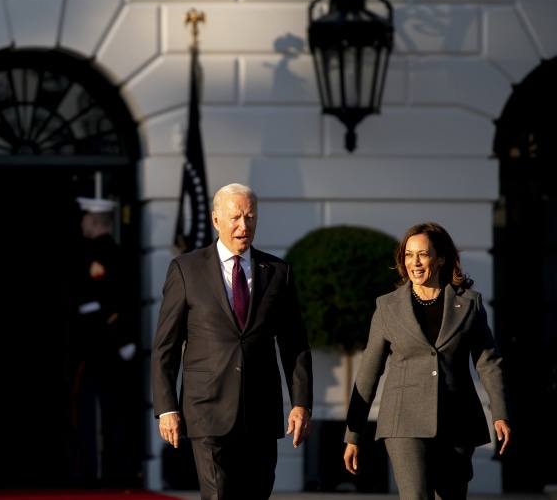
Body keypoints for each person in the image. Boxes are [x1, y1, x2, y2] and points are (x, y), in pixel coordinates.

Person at [151, 182, 314, 500]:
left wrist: (301, 403)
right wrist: (167, 408)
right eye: (236, 217)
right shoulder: (185, 270)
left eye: (251, 217)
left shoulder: (278, 272)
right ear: (216, 220)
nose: (244, 226)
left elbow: (295, 344)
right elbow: (165, 346)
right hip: (207, 410)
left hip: (261, 412)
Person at [343, 222, 512, 499]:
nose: (415, 262)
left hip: (457, 420)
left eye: (422, 254)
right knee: (415, 495)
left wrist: (501, 413)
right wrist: (353, 435)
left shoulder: (469, 304)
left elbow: (488, 362)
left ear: (441, 257)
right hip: (403, 422)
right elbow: (368, 373)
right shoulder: (387, 307)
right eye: (408, 255)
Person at [66, 195, 140, 488]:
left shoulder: (93, 255)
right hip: (115, 343)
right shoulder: (120, 252)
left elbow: (111, 299)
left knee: (82, 403)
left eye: (85, 218)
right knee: (116, 406)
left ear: (94, 220)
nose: (82, 222)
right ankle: (117, 469)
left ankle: (85, 468)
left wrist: (119, 334)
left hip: (94, 342)